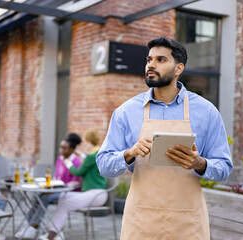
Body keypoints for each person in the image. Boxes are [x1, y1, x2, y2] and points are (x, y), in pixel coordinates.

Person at [96, 36, 233, 240]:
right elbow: (104, 166)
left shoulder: (206, 112)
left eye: (160, 60)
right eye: (149, 59)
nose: (151, 65)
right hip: (141, 222)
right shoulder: (126, 112)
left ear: (178, 69)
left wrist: (200, 163)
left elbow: (224, 169)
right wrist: (128, 153)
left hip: (187, 223)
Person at [39, 129, 107, 240]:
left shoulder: (91, 157)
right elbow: (88, 161)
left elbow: (78, 172)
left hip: (95, 194)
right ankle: (57, 232)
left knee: (65, 203)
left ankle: (51, 235)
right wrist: (81, 155)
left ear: (89, 142)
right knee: (63, 196)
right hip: (97, 194)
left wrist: (69, 164)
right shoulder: (97, 154)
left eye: (85, 142)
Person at [15, 134, 83, 239]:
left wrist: (60, 186)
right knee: (39, 195)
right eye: (61, 147)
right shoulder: (60, 159)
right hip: (56, 188)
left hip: (68, 191)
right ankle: (31, 226)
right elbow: (56, 176)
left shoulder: (76, 162)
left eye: (65, 148)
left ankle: (33, 226)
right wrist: (51, 185)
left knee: (45, 198)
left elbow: (77, 182)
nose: (61, 150)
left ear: (72, 149)